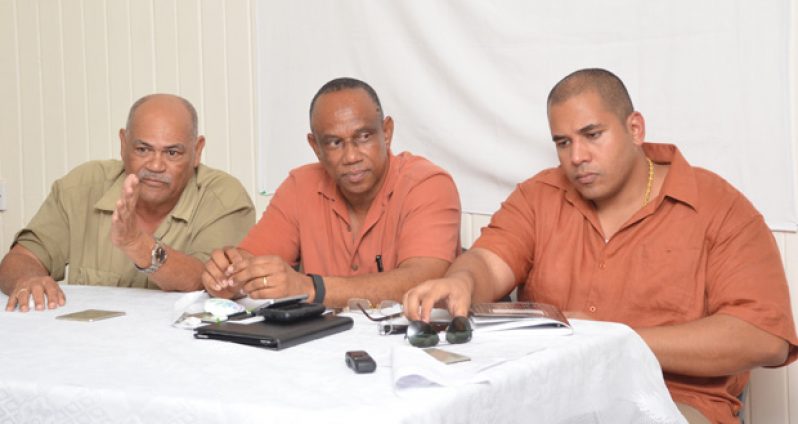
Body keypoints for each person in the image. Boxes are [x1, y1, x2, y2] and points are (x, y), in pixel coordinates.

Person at [402, 68, 798, 424]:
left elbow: (765, 338)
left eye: (593, 135)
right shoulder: (539, 194)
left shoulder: (718, 206)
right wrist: (463, 281)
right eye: (562, 142)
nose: (577, 157)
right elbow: (489, 264)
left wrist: (610, 339)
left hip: (671, 401)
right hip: (547, 393)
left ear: (635, 129)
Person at [202, 77, 461, 308]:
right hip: (323, 347)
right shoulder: (299, 185)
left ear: (387, 132)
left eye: (363, 137)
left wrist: (309, 288)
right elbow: (250, 261)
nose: (351, 156)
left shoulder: (427, 184)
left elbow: (424, 279)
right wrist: (228, 275)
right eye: (335, 143)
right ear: (316, 147)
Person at [0, 94, 255, 312]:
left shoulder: (225, 197)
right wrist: (28, 278)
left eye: (172, 153)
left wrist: (137, 244)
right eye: (143, 149)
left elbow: (207, 280)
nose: (155, 165)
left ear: (197, 150)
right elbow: (21, 257)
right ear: (123, 144)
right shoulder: (81, 186)